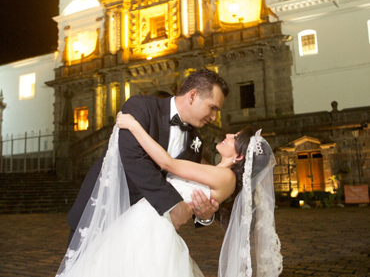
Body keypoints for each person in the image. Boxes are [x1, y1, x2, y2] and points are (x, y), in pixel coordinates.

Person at [56, 115, 282, 276]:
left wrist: (135, 127)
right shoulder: (215, 171)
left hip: (153, 225)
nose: (228, 134)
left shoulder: (226, 178)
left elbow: (167, 163)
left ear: (240, 157)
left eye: (235, 137)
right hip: (143, 218)